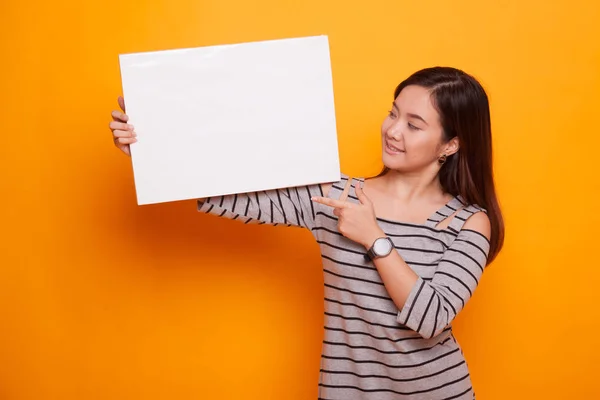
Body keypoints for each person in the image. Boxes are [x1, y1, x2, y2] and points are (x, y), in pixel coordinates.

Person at [109, 66, 504, 399]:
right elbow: (230, 197)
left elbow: (430, 317)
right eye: (393, 113)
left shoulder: (467, 221)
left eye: (414, 125)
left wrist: (374, 238)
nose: (393, 130)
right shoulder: (337, 196)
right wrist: (152, 151)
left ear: (450, 145)